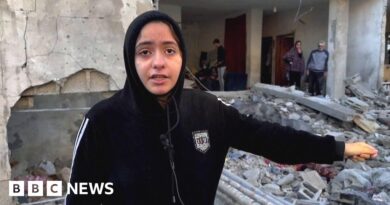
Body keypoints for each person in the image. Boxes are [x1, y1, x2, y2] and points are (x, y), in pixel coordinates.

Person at [66, 11, 378, 205]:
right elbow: (82, 193)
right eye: (145, 51)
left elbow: (270, 138)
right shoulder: (103, 121)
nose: (158, 62)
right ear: (131, 61)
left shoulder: (208, 111)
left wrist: (338, 148)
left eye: (169, 50)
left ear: (182, 58)